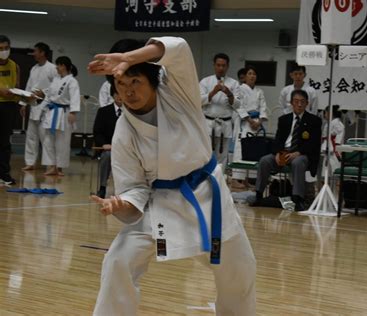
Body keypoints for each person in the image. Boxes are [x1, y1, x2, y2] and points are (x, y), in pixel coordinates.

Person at [88, 36, 256, 315]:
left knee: (240, 268)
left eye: (135, 81)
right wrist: (120, 204)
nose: (129, 91)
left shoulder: (178, 91)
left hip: (207, 195)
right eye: (121, 85)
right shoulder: (124, 133)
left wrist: (130, 57)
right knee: (119, 260)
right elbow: (134, 189)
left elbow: (178, 48)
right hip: (161, 202)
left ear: (152, 79)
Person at [252, 90, 322, 212]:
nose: (299, 104)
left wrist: (298, 152)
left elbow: (314, 143)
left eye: (302, 102)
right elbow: (278, 140)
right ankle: (258, 195)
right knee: (265, 160)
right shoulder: (284, 119)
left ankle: (297, 199)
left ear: (307, 103)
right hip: (284, 152)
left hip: (302, 154)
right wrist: (278, 153)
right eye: (296, 101)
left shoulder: (314, 120)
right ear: (291, 103)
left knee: (298, 162)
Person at [37, 56, 80, 176]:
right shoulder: (56, 80)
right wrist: (41, 109)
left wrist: (73, 112)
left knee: (63, 141)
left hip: (64, 113)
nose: (56, 67)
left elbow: (75, 97)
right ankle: (51, 166)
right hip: (51, 112)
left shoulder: (72, 81)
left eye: (59, 65)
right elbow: (48, 97)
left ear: (64, 66)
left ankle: (60, 167)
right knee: (48, 140)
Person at [20, 42, 57, 171]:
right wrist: (23, 103)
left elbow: (57, 86)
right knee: (31, 136)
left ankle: (51, 164)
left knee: (46, 137)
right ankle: (30, 162)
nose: (34, 54)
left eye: (36, 51)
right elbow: (29, 87)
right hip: (33, 105)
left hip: (46, 107)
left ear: (42, 53)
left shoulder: (52, 68)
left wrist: (44, 92)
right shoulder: (34, 68)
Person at [200, 53, 241, 166]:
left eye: (223, 65)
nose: (221, 68)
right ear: (214, 65)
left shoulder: (234, 83)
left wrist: (229, 94)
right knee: (206, 157)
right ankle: (206, 182)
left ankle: (219, 182)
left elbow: (237, 105)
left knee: (222, 158)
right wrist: (213, 92)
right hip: (209, 124)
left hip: (225, 125)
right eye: (218, 65)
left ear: (227, 66)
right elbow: (199, 101)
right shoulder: (205, 81)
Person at [232, 66, 268, 188]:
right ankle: (236, 179)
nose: (252, 76)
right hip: (245, 122)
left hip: (257, 123)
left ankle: (248, 179)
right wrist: (249, 120)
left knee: (254, 150)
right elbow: (238, 106)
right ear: (245, 76)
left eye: (254, 74)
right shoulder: (239, 89)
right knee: (240, 149)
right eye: (250, 73)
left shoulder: (259, 91)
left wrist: (260, 121)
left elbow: (263, 107)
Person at [92, 84, 122, 198]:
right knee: (107, 156)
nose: (120, 97)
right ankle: (103, 187)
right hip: (108, 147)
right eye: (117, 94)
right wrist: (104, 144)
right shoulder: (103, 111)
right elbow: (97, 132)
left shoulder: (131, 112)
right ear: (113, 95)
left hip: (126, 148)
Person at [0, 35, 20, 185]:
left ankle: (4, 174)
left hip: (9, 106)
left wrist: (25, 96)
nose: (4, 51)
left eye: (6, 48)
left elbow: (17, 85)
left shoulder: (14, 65)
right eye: (0, 49)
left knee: (5, 142)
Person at [321, 105, 345, 174]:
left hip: (334, 150)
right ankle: (326, 183)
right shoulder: (330, 123)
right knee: (326, 172)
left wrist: (336, 145)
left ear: (330, 113)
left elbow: (339, 136)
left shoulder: (337, 123)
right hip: (328, 149)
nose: (324, 115)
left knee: (336, 170)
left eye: (325, 113)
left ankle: (337, 184)